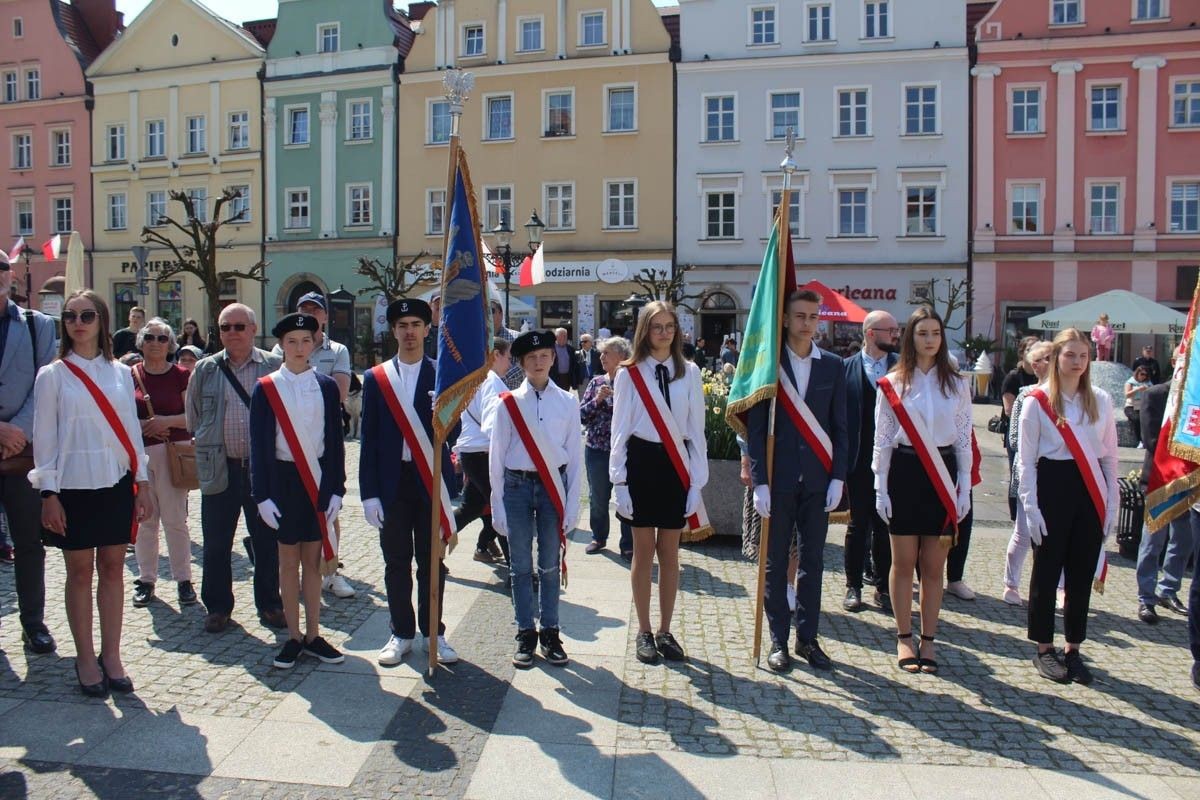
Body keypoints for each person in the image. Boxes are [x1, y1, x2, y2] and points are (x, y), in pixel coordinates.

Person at [30, 290, 154, 696]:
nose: (78, 322)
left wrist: (144, 482)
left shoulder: (121, 373)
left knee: (115, 568)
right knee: (80, 571)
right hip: (71, 485)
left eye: (86, 315)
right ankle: (85, 658)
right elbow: (44, 438)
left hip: (116, 482)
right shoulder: (53, 375)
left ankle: (112, 654)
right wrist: (48, 492)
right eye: (70, 316)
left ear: (101, 321)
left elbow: (133, 432)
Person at [747, 289, 848, 672]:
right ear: (785, 319)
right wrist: (759, 481)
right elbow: (756, 431)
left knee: (813, 562)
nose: (807, 323)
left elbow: (841, 428)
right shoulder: (768, 366)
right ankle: (778, 641)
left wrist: (838, 477)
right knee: (774, 564)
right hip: (779, 479)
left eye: (813, 317)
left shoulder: (833, 366)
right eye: (800, 316)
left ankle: (807, 639)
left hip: (819, 481)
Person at [873, 307, 972, 675]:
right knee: (902, 564)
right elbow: (882, 439)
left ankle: (929, 640)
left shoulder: (958, 384)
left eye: (935, 333)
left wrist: (963, 489)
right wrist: (879, 485)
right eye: (922, 333)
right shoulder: (894, 382)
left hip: (942, 475)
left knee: (933, 568)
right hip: (904, 470)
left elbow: (964, 438)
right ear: (910, 338)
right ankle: (904, 637)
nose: (930, 339)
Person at [361, 298, 460, 666]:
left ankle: (434, 632)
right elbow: (367, 438)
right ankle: (401, 632)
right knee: (396, 561)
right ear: (393, 331)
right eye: (402, 326)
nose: (409, 332)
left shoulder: (442, 375)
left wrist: (445, 415)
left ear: (427, 329)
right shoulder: (376, 377)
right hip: (391, 483)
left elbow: (458, 433)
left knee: (432, 561)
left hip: (430, 479)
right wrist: (369, 493)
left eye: (416, 324)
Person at [1017, 327, 1119, 684]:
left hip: (1090, 490)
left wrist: (1112, 504)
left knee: (1080, 573)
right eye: (1070, 355)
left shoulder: (1102, 400)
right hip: (1052, 486)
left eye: (1083, 356)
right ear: (1055, 358)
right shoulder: (1036, 400)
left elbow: (1109, 458)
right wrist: (1030, 506)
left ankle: (1073, 648)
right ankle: (1045, 648)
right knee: (1046, 571)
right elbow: (1025, 461)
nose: (1077, 362)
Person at [610, 301, 707, 665]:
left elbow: (696, 431)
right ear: (644, 332)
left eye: (669, 326)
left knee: (671, 553)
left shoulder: (691, 373)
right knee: (643, 551)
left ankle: (666, 631)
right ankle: (644, 631)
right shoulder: (629, 373)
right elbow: (619, 431)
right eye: (656, 327)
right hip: (641, 463)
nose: (664, 333)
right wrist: (618, 482)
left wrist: (697, 482)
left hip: (675, 465)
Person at [251, 312, 346, 669]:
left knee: (313, 563)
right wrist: (261, 495)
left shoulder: (325, 386)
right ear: (281, 344)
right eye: (292, 341)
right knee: (287, 564)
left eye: (306, 340)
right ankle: (292, 636)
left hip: (317, 480)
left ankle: (314, 633)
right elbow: (259, 445)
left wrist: (337, 488)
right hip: (283, 482)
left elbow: (335, 442)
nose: (299, 347)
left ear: (315, 343)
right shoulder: (267, 387)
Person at [186, 303, 286, 633]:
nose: (231, 333)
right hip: (220, 467)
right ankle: (217, 607)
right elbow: (194, 417)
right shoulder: (206, 369)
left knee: (267, 542)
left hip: (262, 472)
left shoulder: (274, 365)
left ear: (254, 329)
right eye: (225, 327)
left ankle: (270, 603)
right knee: (216, 543)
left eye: (239, 327)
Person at [490, 330, 582, 668]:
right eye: (531, 358)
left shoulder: (568, 402)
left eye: (544, 355)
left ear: (553, 358)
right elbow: (496, 456)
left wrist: (573, 504)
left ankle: (551, 632)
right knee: (520, 565)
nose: (538, 362)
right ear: (522, 363)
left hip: (551, 487)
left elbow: (574, 456)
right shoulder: (509, 403)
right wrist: (496, 503)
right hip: (516, 486)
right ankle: (525, 632)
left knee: (548, 563)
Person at [272, 292, 354, 599]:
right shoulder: (281, 346)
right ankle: (297, 578)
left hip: (321, 439)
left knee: (329, 511)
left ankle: (330, 571)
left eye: (315, 310)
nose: (309, 314)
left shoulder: (338, 350)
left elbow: (340, 393)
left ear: (325, 316)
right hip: (289, 441)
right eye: (303, 309)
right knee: (294, 513)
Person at [0, 250, 58, 654]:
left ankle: (33, 623)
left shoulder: (37, 325)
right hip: (9, 437)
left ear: (9, 277)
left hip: (21, 452)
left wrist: (16, 430)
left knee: (28, 542)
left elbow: (45, 384)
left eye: (1, 269)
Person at [130, 318, 195, 609]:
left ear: (170, 344)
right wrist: (146, 426)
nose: (156, 343)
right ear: (141, 342)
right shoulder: (128, 374)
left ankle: (184, 579)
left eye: (162, 338)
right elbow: (121, 416)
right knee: (146, 520)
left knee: (174, 520)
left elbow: (193, 417)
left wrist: (164, 422)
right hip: (140, 455)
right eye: (150, 337)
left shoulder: (182, 375)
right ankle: (146, 579)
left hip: (173, 453)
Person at [842, 310, 900, 613]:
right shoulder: (845, 368)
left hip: (893, 459)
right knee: (858, 523)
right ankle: (853, 586)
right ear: (869, 333)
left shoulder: (902, 366)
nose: (895, 334)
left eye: (896, 329)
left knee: (886, 525)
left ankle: (883, 587)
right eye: (889, 329)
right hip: (858, 458)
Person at [1135, 378, 1196, 624]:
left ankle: (1168, 590)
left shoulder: (1196, 396)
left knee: (1183, 540)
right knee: (1153, 542)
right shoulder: (1155, 394)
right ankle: (1145, 597)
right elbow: (1151, 440)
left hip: (1190, 481)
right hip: (1160, 479)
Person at [1002, 341, 1054, 605]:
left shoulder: (1068, 393)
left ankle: (1060, 588)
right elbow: (1014, 439)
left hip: (1060, 476)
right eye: (1047, 358)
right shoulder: (1026, 395)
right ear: (1035, 365)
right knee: (1023, 533)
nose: (1053, 361)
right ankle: (1011, 585)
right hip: (1029, 471)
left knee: (1058, 535)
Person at [455, 337, 512, 565]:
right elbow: (493, 421)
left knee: (472, 507)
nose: (509, 364)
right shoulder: (491, 381)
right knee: (503, 505)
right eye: (508, 357)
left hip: (474, 451)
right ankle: (516, 568)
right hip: (483, 452)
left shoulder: (479, 379)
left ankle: (434, 545)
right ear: (495, 355)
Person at [580, 336, 634, 558]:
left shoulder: (631, 382)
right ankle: (598, 537)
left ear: (621, 357)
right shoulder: (596, 383)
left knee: (627, 496)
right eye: (601, 353)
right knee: (598, 497)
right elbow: (581, 416)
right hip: (597, 450)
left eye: (606, 353)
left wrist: (617, 399)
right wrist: (597, 401)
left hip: (625, 451)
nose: (601, 357)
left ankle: (628, 544)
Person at [1001, 337, 1042, 520]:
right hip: (1017, 433)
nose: (1035, 356)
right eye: (1030, 351)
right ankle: (1016, 514)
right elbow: (1009, 410)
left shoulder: (1043, 376)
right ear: (1022, 354)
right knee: (1017, 471)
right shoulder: (1013, 377)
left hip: (1039, 433)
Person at [1124, 366, 1153, 448]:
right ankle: (1140, 440)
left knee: (1149, 419)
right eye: (1142, 374)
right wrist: (1137, 389)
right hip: (1131, 406)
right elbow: (1127, 394)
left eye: (1146, 375)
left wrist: (1148, 389)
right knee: (1137, 419)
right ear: (1137, 374)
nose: (1144, 376)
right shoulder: (1130, 382)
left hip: (1143, 406)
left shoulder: (1148, 382)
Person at [551, 327, 582, 392]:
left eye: (566, 335)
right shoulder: (551, 348)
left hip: (567, 378)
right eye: (563, 335)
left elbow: (574, 364)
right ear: (556, 337)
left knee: (565, 396)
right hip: (554, 377)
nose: (565, 338)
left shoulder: (570, 349)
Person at [423, 293, 441, 360]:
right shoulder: (422, 331)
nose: (440, 304)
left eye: (443, 302)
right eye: (437, 302)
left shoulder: (449, 332)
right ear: (430, 305)